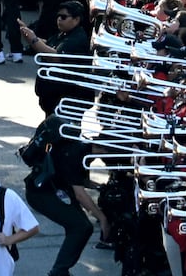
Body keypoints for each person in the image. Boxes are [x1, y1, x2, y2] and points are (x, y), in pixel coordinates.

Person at [24, 115, 109, 276]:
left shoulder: (83, 150)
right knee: (80, 227)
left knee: (82, 227)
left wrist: (100, 187)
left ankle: (61, 270)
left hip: (53, 188)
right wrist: (102, 218)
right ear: (101, 148)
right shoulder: (76, 154)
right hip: (41, 194)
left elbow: (77, 179)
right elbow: (80, 195)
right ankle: (59, 271)